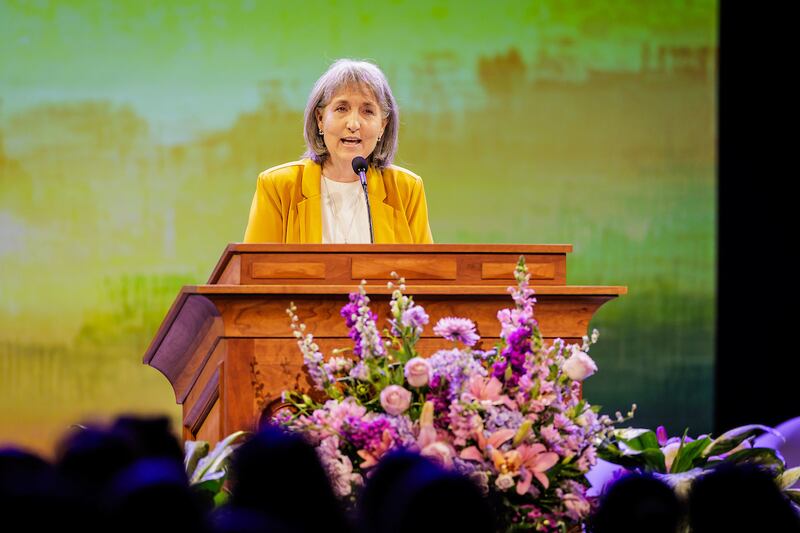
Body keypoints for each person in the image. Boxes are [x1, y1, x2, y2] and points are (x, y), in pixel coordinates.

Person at [243, 59, 433, 244]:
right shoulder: (278, 187)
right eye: (342, 108)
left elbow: (425, 272)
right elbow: (254, 271)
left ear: (383, 125)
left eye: (367, 111)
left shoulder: (405, 189)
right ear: (320, 119)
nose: (353, 124)